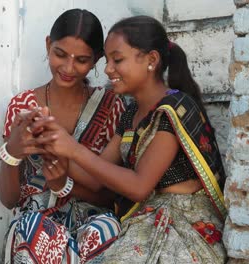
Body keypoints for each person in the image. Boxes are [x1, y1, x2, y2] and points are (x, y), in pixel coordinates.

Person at [31, 15, 227, 263]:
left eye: (117, 60)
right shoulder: (131, 114)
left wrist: (72, 150)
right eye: (108, 59)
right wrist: (49, 145)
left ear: (151, 60)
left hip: (184, 225)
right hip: (146, 218)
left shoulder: (172, 108)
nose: (107, 69)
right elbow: (95, 178)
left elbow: (139, 186)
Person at [0, 9, 126, 264]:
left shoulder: (112, 107)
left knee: (107, 227)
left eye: (81, 59)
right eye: (60, 54)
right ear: (48, 45)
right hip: (36, 224)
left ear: (97, 59)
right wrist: (11, 153)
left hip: (91, 222)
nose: (68, 67)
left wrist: (66, 185)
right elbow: (9, 199)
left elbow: (113, 196)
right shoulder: (22, 107)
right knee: (32, 229)